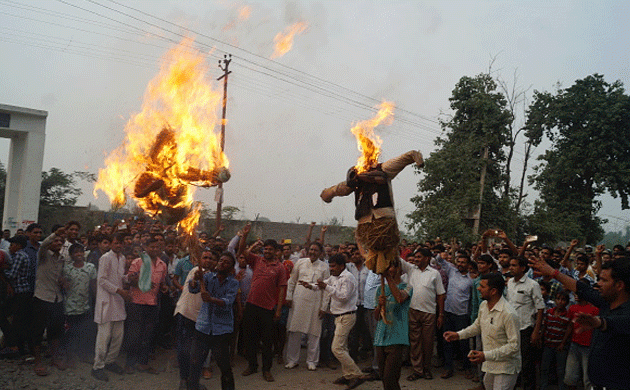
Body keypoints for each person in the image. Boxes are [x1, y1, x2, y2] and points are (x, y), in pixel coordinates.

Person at [529, 256, 630, 390]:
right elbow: (582, 288)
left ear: (619, 285)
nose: (598, 284)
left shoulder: (625, 312)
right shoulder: (606, 302)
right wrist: (554, 273)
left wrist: (600, 322)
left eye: (604, 280)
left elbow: (620, 323)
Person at [320, 150, 424, 275]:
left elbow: (404, 158)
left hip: (383, 222)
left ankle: (392, 283)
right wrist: (327, 195)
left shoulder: (383, 169)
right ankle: (384, 283)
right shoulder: (356, 178)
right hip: (367, 225)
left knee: (389, 260)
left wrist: (417, 159)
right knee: (376, 263)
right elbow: (338, 189)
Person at [444, 273, 521, 390]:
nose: (478, 288)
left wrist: (486, 355)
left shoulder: (508, 314)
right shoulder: (484, 306)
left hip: (505, 368)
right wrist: (458, 335)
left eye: (482, 286)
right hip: (490, 365)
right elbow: (477, 326)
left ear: (493, 291)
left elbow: (514, 346)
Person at [238, 223, 288, 382]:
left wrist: (278, 310)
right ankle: (252, 365)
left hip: (267, 308)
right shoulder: (256, 261)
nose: (267, 251)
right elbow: (241, 252)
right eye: (265, 249)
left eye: (270, 249)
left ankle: (267, 370)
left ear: (275, 252)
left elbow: (281, 290)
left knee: (267, 341)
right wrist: (245, 235)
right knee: (250, 338)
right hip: (251, 305)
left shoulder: (280, 268)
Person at [187, 252, 239, 390]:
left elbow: (228, 302)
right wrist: (195, 279)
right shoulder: (208, 277)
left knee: (224, 366)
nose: (222, 263)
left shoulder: (233, 283)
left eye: (226, 262)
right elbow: (193, 289)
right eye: (221, 260)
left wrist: (211, 299)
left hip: (221, 331)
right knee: (195, 363)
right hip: (203, 328)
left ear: (232, 267)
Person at [317, 254, 366, 390]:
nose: (331, 269)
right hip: (339, 316)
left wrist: (325, 287)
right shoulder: (334, 277)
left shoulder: (348, 278)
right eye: (330, 266)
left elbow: (343, 296)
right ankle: (348, 375)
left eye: (333, 266)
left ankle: (357, 374)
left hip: (347, 316)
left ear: (341, 266)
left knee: (336, 348)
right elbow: (323, 284)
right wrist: (310, 285)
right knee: (342, 348)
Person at [124, 237, 168, 374]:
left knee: (147, 335)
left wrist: (164, 287)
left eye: (157, 247)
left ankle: (143, 363)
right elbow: (129, 281)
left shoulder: (163, 265)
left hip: (152, 304)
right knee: (134, 335)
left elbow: (162, 283)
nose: (155, 249)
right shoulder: (138, 262)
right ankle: (129, 363)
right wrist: (144, 283)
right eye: (152, 247)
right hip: (136, 303)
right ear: (146, 247)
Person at [284, 242, 330, 371]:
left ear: (321, 253)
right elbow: (292, 280)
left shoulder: (324, 267)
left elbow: (326, 288)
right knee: (294, 331)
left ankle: (312, 361)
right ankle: (292, 360)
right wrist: (288, 296)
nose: (312, 252)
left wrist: (324, 307)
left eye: (315, 250)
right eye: (311, 249)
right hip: (298, 301)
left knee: (314, 333)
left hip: (316, 303)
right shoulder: (300, 262)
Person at [403, 247, 445, 381]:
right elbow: (398, 260)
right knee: (415, 342)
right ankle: (417, 370)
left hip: (429, 312)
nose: (416, 259)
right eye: (415, 257)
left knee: (427, 343)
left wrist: (440, 315)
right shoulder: (411, 269)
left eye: (419, 257)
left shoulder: (434, 273)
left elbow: (440, 295)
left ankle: (426, 369)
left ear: (427, 258)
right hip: (413, 310)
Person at [92, 233, 130, 382]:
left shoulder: (122, 258)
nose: (118, 245)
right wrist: (120, 291)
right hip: (106, 302)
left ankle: (110, 362)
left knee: (117, 337)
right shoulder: (105, 258)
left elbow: (120, 278)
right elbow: (101, 280)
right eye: (116, 243)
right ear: (111, 244)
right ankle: (97, 367)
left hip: (118, 303)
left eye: (121, 243)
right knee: (103, 337)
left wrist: (129, 278)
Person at [373, 257, 412, 390]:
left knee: (391, 376)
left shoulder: (407, 287)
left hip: (397, 337)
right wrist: (379, 305)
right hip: (380, 337)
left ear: (400, 269)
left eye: (394, 266)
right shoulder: (380, 289)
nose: (391, 269)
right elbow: (376, 317)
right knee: (384, 376)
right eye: (388, 266)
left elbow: (400, 298)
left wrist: (387, 277)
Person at [32, 227, 67, 376]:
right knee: (38, 331)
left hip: (57, 299)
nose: (58, 242)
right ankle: (38, 362)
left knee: (55, 331)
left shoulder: (62, 259)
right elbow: (44, 244)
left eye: (60, 241)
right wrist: (55, 233)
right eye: (55, 240)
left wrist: (64, 281)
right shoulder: (43, 254)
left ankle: (54, 358)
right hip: (42, 297)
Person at [505, 256, 544, 390]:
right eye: (510, 265)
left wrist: (536, 331)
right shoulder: (509, 282)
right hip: (511, 328)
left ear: (522, 268)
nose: (511, 268)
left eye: (514, 265)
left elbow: (540, 308)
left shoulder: (532, 285)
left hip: (526, 329)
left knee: (527, 364)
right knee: (512, 361)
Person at [436, 251, 474, 379]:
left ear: (468, 264)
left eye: (463, 262)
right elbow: (438, 260)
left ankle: (467, 367)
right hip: (448, 312)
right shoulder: (452, 271)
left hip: (462, 315)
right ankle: (448, 368)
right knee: (447, 341)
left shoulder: (471, 279)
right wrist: (443, 254)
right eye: (458, 261)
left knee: (463, 343)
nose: (460, 264)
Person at [61, 243, 97, 366]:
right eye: (75, 252)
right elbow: (64, 286)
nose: (79, 254)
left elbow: (93, 286)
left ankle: (84, 355)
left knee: (86, 331)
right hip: (70, 306)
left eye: (81, 251)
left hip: (85, 305)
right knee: (71, 332)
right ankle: (70, 356)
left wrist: (97, 301)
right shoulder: (67, 268)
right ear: (71, 255)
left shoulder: (90, 267)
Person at [564, 278, 598, 390]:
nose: (576, 294)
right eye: (575, 292)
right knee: (570, 377)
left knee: (588, 380)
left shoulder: (594, 310)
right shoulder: (573, 308)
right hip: (574, 344)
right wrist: (564, 341)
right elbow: (570, 326)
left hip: (588, 347)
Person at [540, 290, 572, 390]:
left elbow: (568, 330)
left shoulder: (567, 316)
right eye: (558, 299)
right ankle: (543, 387)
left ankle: (561, 387)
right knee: (544, 368)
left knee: (561, 370)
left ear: (566, 302)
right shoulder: (549, 313)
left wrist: (563, 343)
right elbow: (544, 326)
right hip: (548, 344)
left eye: (563, 300)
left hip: (559, 346)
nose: (560, 302)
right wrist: (542, 339)